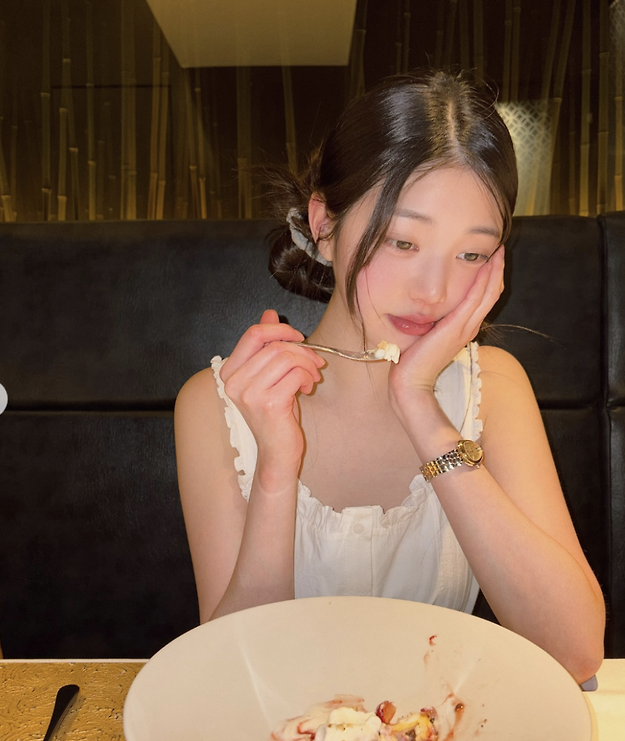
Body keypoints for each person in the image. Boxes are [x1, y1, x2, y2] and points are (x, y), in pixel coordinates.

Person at [174, 70, 605, 684]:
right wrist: (276, 471)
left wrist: (422, 408)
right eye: (402, 242)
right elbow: (226, 676)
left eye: (471, 254)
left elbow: (574, 651)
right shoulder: (217, 405)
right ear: (325, 226)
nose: (434, 291)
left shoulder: (495, 388)